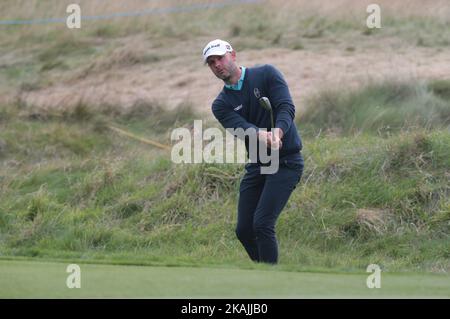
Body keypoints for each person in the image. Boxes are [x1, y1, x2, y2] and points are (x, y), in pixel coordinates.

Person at [203, 39, 304, 264]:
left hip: (286, 161)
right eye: (211, 62)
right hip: (259, 164)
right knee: (244, 230)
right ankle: (268, 274)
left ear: (233, 55)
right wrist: (262, 135)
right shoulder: (220, 104)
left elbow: (286, 107)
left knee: (262, 224)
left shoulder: (266, 74)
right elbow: (241, 128)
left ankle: (271, 282)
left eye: (220, 58)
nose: (217, 64)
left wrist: (277, 133)